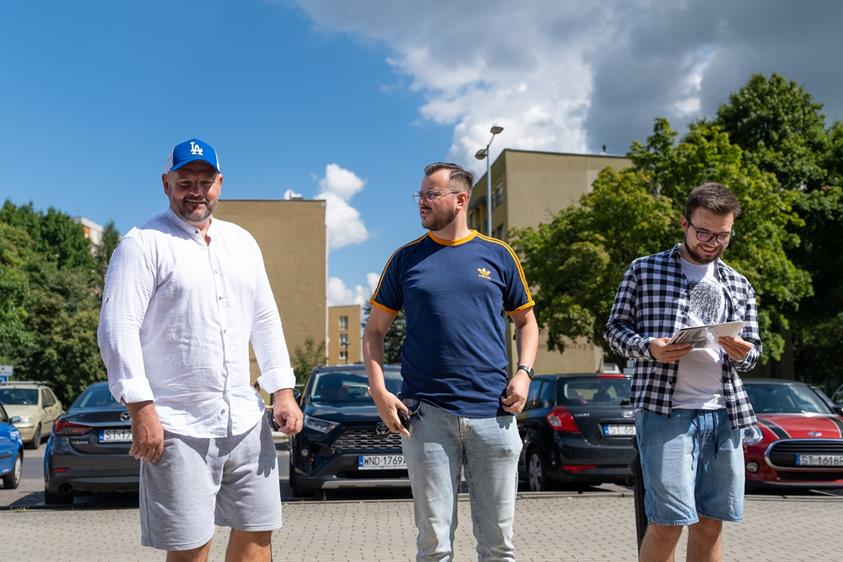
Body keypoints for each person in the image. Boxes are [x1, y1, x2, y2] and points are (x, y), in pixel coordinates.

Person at [97, 138, 303, 562]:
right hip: (177, 425)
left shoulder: (242, 242)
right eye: (184, 181)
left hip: (245, 420)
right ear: (166, 183)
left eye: (205, 181)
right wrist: (142, 410)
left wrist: (282, 390)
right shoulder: (142, 243)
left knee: (257, 534)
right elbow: (117, 330)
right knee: (191, 547)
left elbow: (265, 320)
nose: (196, 190)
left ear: (220, 183)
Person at [363, 161, 539, 561]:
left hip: (493, 415)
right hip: (427, 417)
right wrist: (379, 392)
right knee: (434, 546)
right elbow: (373, 332)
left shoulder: (499, 255)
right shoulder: (405, 259)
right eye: (420, 195)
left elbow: (527, 322)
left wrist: (524, 374)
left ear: (460, 200)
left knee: (499, 546)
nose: (421, 202)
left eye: (430, 194)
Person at [604, 182, 761, 562]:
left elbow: (753, 353)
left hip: (725, 413)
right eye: (703, 232)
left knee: (711, 521)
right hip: (664, 413)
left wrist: (743, 352)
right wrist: (650, 348)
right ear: (684, 224)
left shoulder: (738, 283)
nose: (712, 242)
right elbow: (614, 330)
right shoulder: (644, 269)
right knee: (669, 520)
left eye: (722, 235)